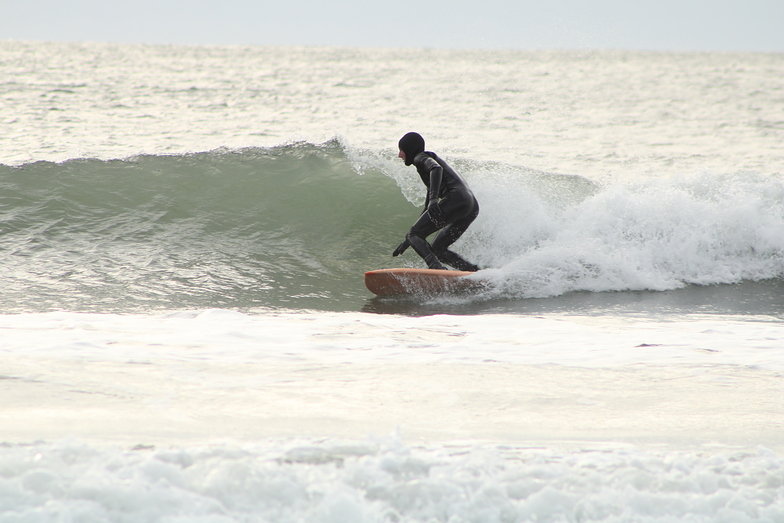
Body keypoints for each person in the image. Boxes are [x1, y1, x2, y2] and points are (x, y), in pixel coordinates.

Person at [392, 132, 480, 272]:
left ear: (409, 149)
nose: (399, 155)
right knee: (438, 249)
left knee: (414, 234)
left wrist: (434, 199)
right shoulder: (431, 175)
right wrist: (409, 241)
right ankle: (474, 272)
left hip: (456, 197)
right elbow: (427, 210)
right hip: (471, 205)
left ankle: (435, 267)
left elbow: (435, 168)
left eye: (401, 150)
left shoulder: (420, 157)